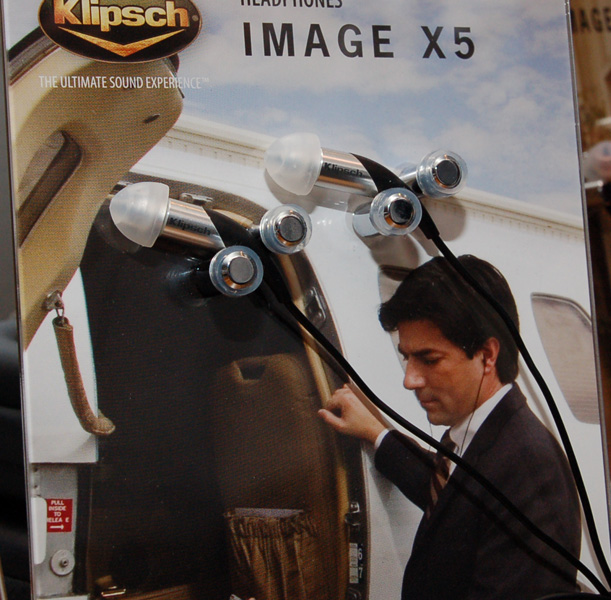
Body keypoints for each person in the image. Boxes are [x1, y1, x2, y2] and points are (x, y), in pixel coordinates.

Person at [318, 255, 581, 600]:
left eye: (429, 359)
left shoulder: (529, 466)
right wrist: (375, 433)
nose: (410, 380)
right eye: (406, 357)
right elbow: (449, 497)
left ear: (487, 355)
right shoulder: (480, 437)